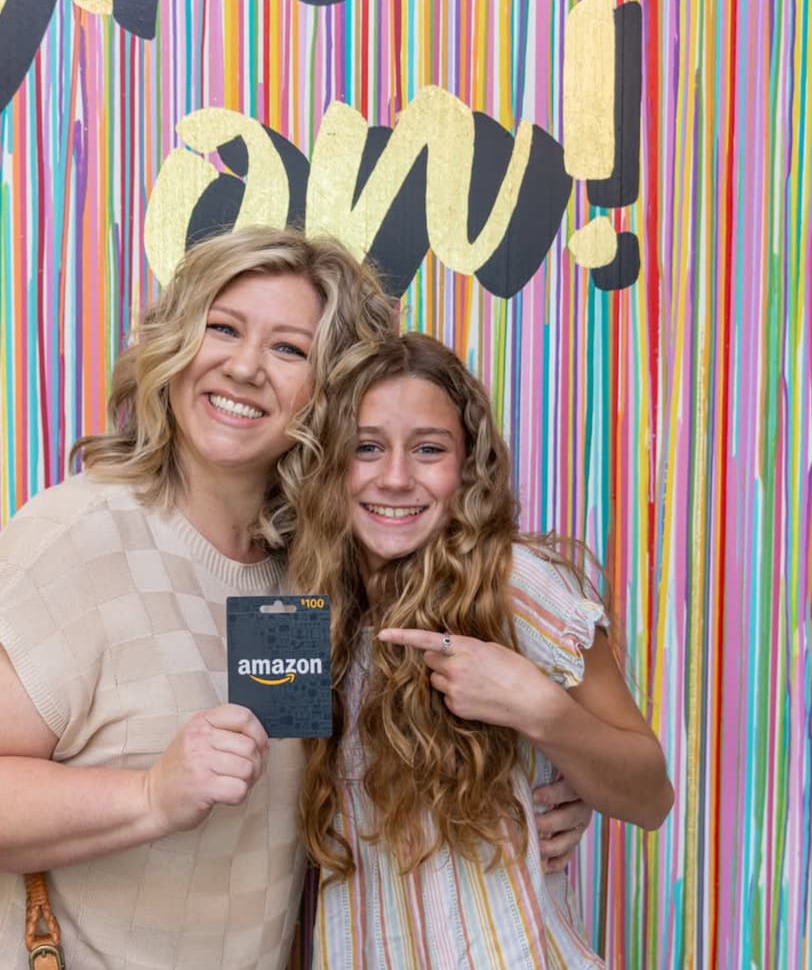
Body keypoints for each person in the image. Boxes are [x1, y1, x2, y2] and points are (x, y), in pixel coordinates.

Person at [0, 227, 400, 970]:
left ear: (331, 391)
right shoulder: (77, 533)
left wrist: (520, 808)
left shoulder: (293, 577)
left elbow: (268, 824)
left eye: (290, 349)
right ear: (176, 346)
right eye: (221, 329)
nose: (246, 365)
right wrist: (151, 795)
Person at [284, 333, 674, 968]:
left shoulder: (516, 583)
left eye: (429, 450)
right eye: (367, 447)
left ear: (468, 464)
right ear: (330, 460)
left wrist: (539, 710)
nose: (396, 478)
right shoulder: (302, 606)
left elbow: (651, 797)